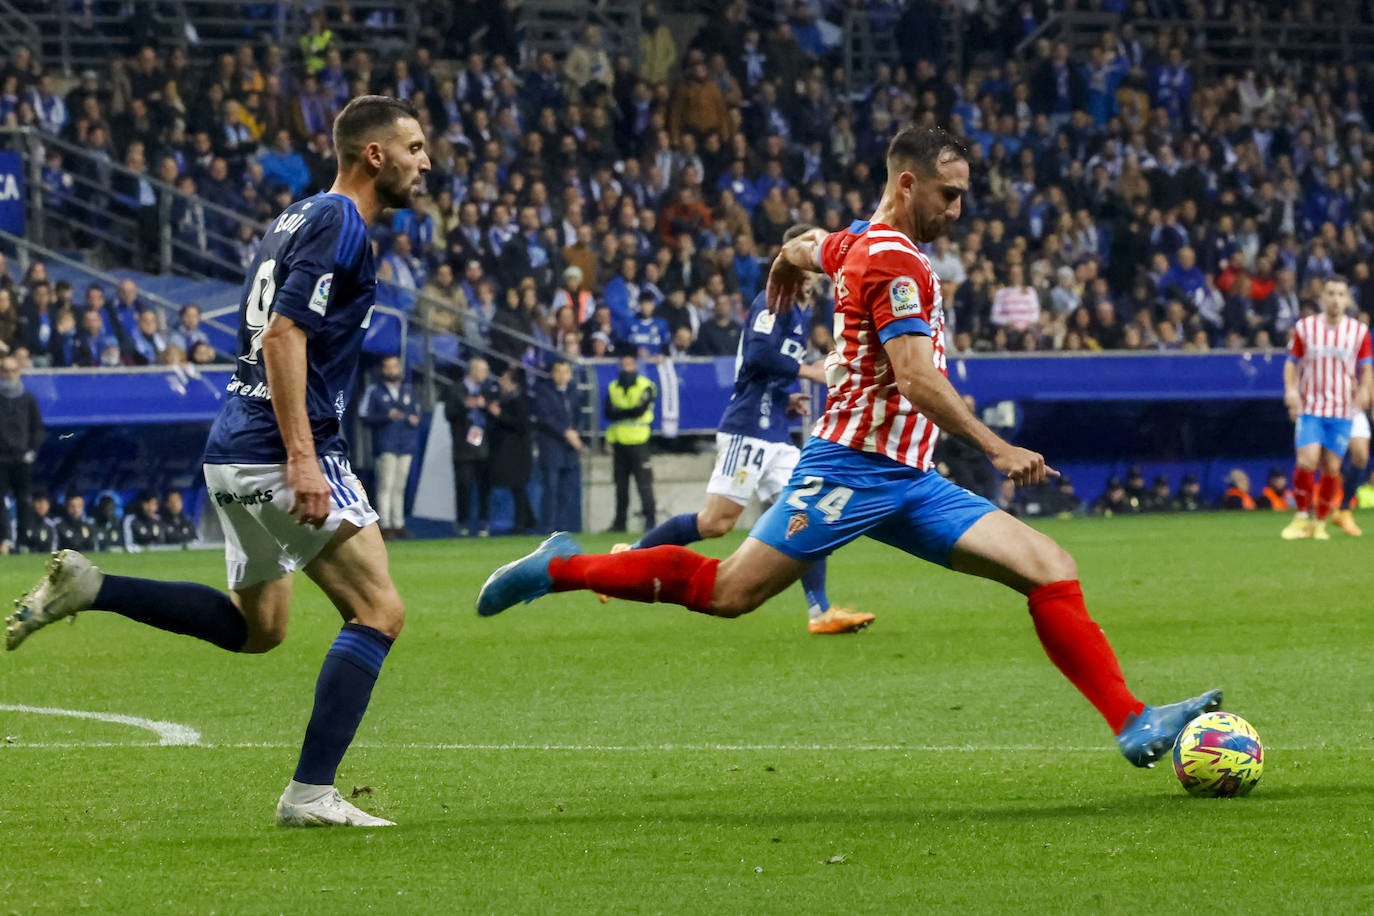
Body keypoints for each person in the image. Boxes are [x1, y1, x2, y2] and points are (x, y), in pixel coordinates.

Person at [477, 126, 1221, 772]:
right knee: (730, 591)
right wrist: (996, 447)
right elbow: (915, 376)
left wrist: (783, 261)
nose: (959, 212)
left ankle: (1132, 721)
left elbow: (809, 246)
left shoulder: (857, 244)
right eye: (949, 195)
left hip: (909, 476)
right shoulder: (895, 260)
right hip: (852, 469)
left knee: (1050, 567)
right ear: (908, 183)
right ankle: (561, 566)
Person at [7, 95, 430, 828]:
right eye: (415, 148)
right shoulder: (338, 222)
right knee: (379, 610)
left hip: (235, 444)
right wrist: (302, 458)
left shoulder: (295, 216)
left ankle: (92, 585)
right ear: (375, 155)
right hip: (279, 447)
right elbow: (284, 335)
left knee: (259, 628)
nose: (426, 162)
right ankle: (309, 794)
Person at [610, 224, 873, 636]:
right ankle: (626, 560)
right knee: (715, 523)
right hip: (747, 427)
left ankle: (820, 612)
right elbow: (758, 354)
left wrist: (786, 396)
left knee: (806, 514)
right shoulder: (775, 298)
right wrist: (808, 373)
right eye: (816, 244)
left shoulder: (801, 310)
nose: (824, 253)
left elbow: (763, 367)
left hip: (774, 430)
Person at [1280, 276, 1373, 540]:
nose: (1334, 299)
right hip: (1311, 406)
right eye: (1330, 293)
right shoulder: (1305, 327)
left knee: (1332, 468)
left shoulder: (1358, 331)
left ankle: (1319, 522)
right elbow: (1291, 362)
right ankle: (1300, 517)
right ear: (1322, 297)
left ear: (1347, 299)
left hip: (1343, 409)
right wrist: (1291, 390)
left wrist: (1366, 391)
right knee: (1306, 459)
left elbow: (1366, 367)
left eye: (1340, 294)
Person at [360, 355, 420, 539]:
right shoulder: (375, 390)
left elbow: (416, 413)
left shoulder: (407, 390)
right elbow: (363, 415)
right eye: (389, 367)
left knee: (400, 486)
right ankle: (385, 524)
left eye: (395, 367)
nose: (392, 370)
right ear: (383, 370)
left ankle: (398, 522)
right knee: (386, 485)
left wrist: (414, 419)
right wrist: (386, 416)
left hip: (405, 443)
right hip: (386, 443)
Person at [445, 356, 499, 536]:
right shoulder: (456, 389)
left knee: (484, 486)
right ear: (473, 371)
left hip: (484, 446)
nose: (486, 374)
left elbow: (494, 416)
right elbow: (449, 414)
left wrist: (487, 409)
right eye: (483, 370)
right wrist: (465, 407)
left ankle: (484, 522)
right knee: (464, 485)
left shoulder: (487, 390)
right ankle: (463, 522)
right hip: (463, 447)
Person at [604, 353, 657, 533]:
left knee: (644, 485)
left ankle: (651, 522)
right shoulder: (613, 387)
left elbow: (639, 411)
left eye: (629, 364)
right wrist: (627, 411)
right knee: (621, 486)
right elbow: (608, 413)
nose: (626, 368)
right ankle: (619, 522)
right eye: (623, 364)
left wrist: (621, 411)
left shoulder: (646, 386)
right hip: (619, 442)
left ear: (635, 365)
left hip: (639, 441)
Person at [533, 358, 585, 533]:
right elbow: (545, 418)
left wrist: (577, 431)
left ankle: (563, 528)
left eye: (566, 372)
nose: (563, 376)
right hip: (551, 446)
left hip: (569, 449)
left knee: (566, 491)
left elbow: (580, 415)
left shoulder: (574, 391)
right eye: (559, 372)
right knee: (551, 488)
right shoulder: (543, 391)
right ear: (553, 374)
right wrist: (566, 432)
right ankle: (548, 528)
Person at [0, 354, 42, 554]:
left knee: (24, 500)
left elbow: (37, 428)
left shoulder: (28, 398)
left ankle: (25, 541)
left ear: (19, 372)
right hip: (1, 458)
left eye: (13, 370)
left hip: (22, 459)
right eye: (5, 370)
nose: (9, 375)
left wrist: (32, 450)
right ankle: (5, 540)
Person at [488, 365, 537, 533]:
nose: (501, 381)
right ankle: (528, 519)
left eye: (504, 378)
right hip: (512, 450)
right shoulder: (508, 398)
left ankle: (522, 522)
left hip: (518, 451)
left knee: (518, 486)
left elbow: (521, 424)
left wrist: (499, 414)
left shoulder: (520, 400)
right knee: (517, 486)